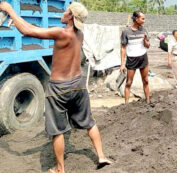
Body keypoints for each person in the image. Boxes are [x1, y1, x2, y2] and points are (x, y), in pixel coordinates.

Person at [0, 2, 112, 173]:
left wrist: (9, 10)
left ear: (70, 17)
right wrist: (17, 20)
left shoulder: (60, 32)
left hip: (59, 89)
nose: (63, 11)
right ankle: (101, 156)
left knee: (57, 130)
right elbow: (29, 27)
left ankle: (60, 169)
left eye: (66, 11)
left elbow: (28, 31)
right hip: (78, 85)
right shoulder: (79, 34)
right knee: (89, 122)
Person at [120, 10, 150, 104]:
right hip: (132, 59)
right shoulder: (126, 31)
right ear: (136, 19)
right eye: (142, 18)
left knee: (145, 81)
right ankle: (126, 104)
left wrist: (145, 40)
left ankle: (148, 101)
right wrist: (122, 64)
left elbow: (148, 46)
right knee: (129, 82)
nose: (144, 20)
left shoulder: (144, 30)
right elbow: (123, 48)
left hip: (143, 58)